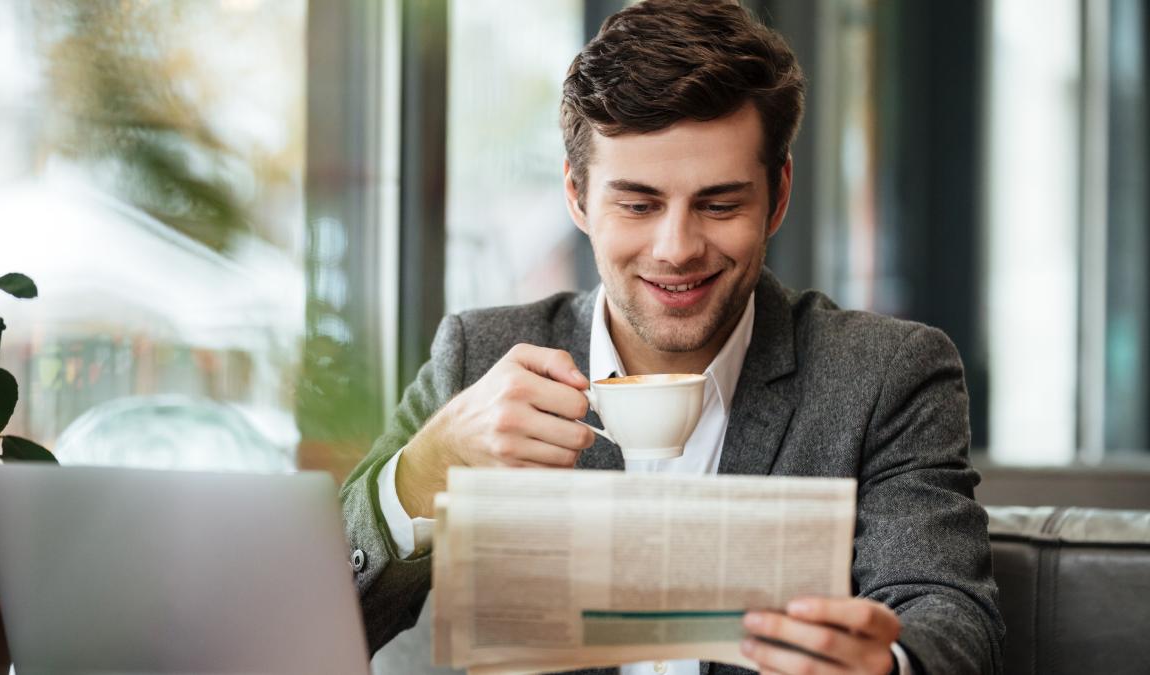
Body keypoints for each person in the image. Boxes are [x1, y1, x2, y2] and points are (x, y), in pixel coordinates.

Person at [340, 1, 1004, 673]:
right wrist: (423, 469)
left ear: (777, 197)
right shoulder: (477, 360)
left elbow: (948, 616)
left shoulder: (887, 375)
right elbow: (326, 621)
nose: (677, 248)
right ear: (576, 196)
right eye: (638, 204)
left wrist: (886, 664)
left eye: (719, 204)